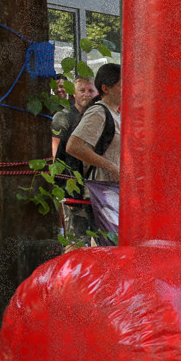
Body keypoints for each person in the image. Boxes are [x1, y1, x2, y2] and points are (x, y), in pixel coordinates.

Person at [65, 63, 122, 243]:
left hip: (111, 194)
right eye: (122, 85)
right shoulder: (98, 112)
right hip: (96, 195)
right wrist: (110, 167)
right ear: (106, 88)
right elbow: (74, 146)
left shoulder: (117, 114)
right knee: (99, 248)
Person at [51, 76, 97, 160]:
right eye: (82, 91)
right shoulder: (62, 117)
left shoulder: (100, 116)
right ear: (74, 93)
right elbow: (55, 154)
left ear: (97, 93)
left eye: (91, 91)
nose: (87, 95)